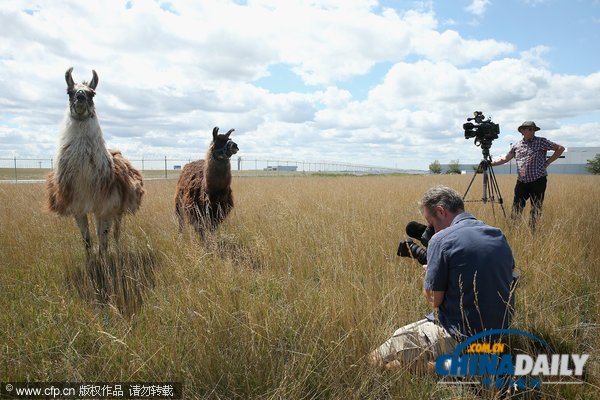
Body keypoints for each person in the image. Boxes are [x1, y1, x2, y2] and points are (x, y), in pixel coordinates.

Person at [369, 186, 515, 370]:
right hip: (498, 333)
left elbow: (434, 300)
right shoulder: (497, 234)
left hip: (461, 335)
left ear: (441, 211)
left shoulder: (441, 239)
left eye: (430, 223)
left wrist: (431, 273)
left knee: (375, 359)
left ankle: (462, 365)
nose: (431, 230)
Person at [490, 121, 565, 229]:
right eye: (528, 129)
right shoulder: (516, 145)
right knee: (517, 206)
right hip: (522, 181)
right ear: (522, 131)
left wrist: (548, 162)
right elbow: (505, 158)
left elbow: (560, 148)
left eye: (532, 129)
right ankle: (514, 230)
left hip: (538, 180)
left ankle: (533, 231)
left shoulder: (541, 141)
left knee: (536, 207)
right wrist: (491, 164)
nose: (531, 131)